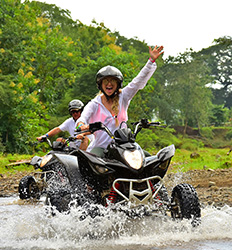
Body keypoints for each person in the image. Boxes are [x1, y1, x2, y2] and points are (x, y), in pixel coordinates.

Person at [77, 45, 164, 155]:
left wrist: (151, 61)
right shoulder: (94, 104)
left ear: (118, 84)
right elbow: (82, 118)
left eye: (113, 81)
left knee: (146, 159)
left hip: (123, 146)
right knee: (93, 161)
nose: (109, 84)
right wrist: (82, 126)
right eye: (106, 81)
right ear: (101, 85)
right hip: (102, 148)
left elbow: (137, 82)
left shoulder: (124, 96)